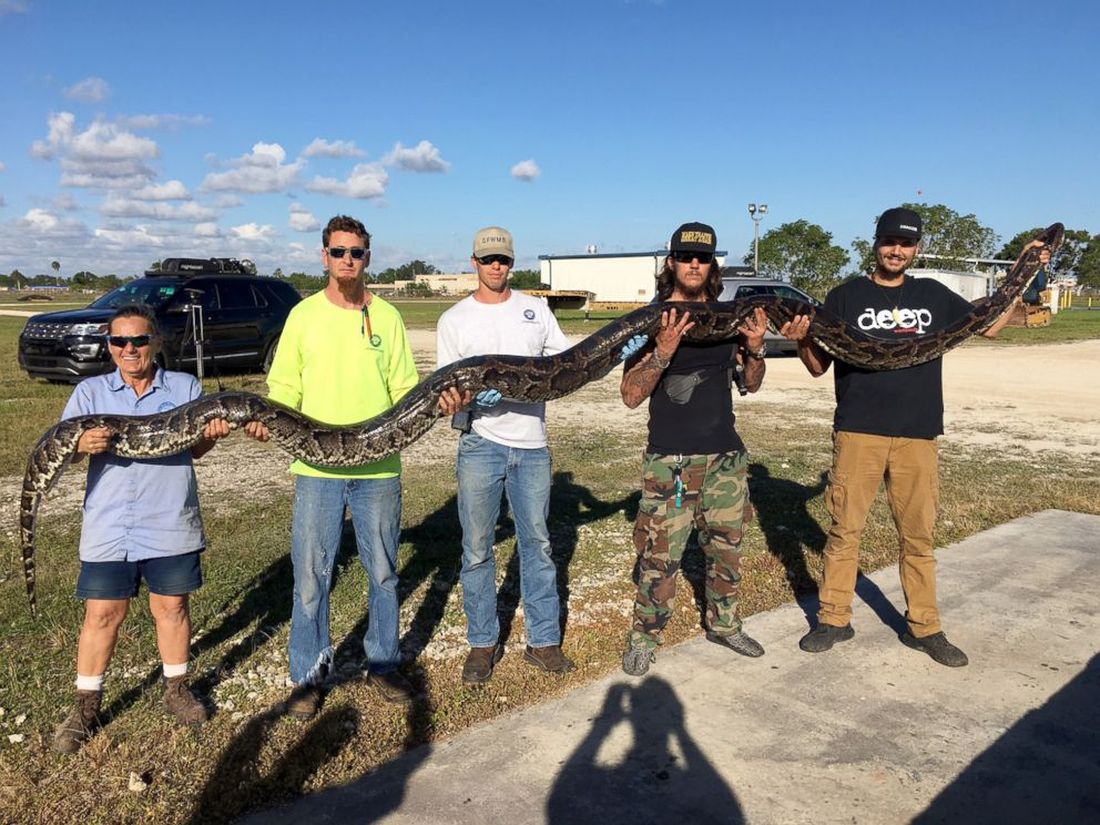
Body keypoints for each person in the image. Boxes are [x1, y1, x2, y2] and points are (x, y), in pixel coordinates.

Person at [781, 207, 1047, 667]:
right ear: (876, 244)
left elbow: (992, 324)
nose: (896, 250)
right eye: (889, 242)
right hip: (858, 430)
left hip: (918, 433)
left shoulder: (934, 295)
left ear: (917, 248)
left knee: (918, 535)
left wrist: (1024, 271)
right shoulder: (845, 296)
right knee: (846, 530)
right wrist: (802, 338)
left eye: (905, 243)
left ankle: (925, 627)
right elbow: (817, 366)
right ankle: (833, 619)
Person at [436, 226, 641, 684]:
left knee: (539, 545)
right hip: (480, 444)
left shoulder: (535, 309)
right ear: (474, 262)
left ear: (512, 263)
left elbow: (571, 362)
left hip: (532, 446)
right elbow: (445, 394)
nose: (496, 267)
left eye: (503, 260)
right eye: (488, 260)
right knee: (476, 548)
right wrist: (471, 401)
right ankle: (482, 643)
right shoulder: (454, 319)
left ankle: (544, 641)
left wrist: (613, 355)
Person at [244, 215, 420, 715]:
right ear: (324, 256)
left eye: (357, 252)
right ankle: (309, 674)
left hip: (379, 469)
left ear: (368, 257)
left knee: (383, 572)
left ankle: (383, 663)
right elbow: (283, 392)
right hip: (317, 473)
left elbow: (406, 391)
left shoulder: (386, 316)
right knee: (311, 576)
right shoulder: (302, 316)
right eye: (339, 251)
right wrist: (266, 424)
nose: (348, 260)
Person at [52, 304, 231, 754]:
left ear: (155, 342)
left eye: (139, 340)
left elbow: (196, 450)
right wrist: (80, 444)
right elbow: (62, 450)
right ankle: (86, 705)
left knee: (171, 607)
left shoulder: (185, 386)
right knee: (102, 613)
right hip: (111, 522)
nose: (129, 350)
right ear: (109, 346)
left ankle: (176, 689)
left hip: (169, 516)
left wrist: (212, 433)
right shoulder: (90, 393)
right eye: (119, 342)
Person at [620, 221, 770, 677]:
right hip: (671, 460)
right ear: (671, 262)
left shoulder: (730, 318)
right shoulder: (652, 319)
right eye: (686, 256)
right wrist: (662, 353)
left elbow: (750, 384)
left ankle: (724, 624)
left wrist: (757, 348)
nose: (694, 264)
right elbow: (630, 394)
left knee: (727, 550)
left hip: (725, 456)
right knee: (659, 557)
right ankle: (644, 637)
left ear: (712, 265)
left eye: (702, 258)